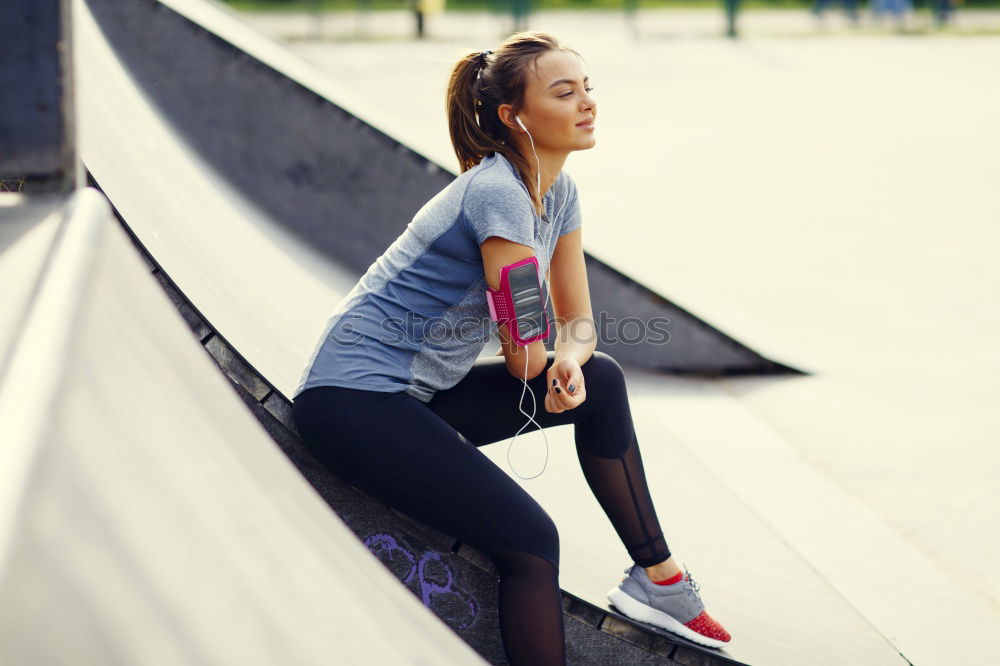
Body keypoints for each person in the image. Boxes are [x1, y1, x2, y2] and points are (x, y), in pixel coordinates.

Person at [291, 31, 731, 665]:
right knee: (531, 542)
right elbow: (526, 352)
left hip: (415, 397)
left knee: (600, 379)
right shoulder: (498, 194)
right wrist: (549, 366)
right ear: (512, 116)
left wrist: (571, 367)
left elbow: (578, 324)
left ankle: (658, 578)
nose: (586, 103)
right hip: (352, 398)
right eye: (563, 92)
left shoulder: (560, 193)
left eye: (587, 88)